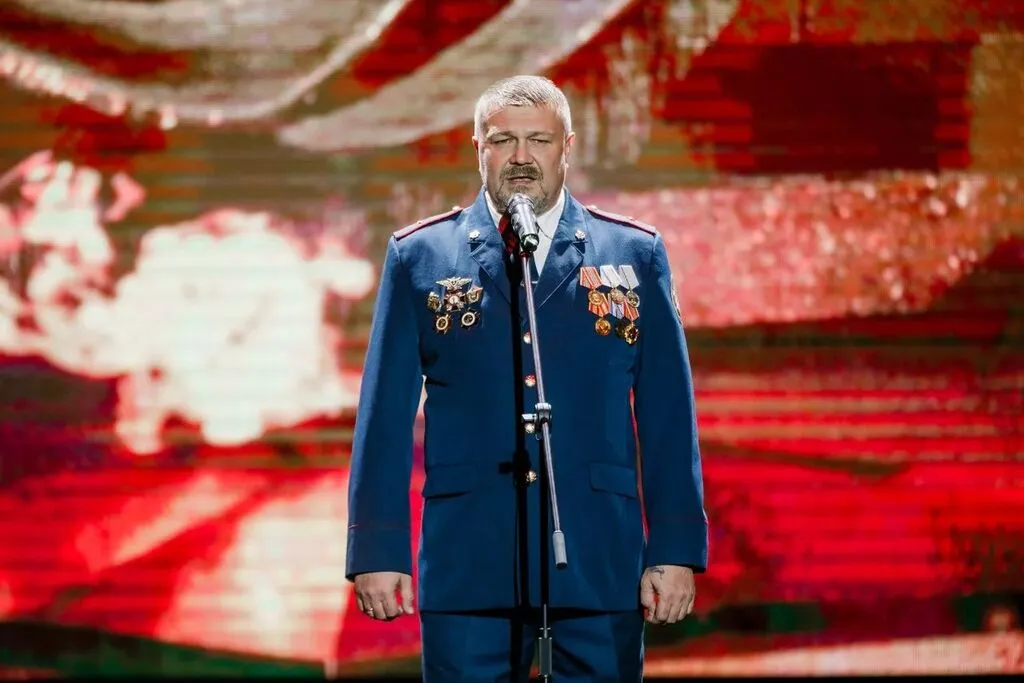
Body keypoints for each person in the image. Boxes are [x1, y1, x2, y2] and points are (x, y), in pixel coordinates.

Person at [346, 74, 708, 681]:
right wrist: (377, 549)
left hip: (599, 555)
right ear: (478, 149)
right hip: (469, 557)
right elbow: (383, 415)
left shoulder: (632, 253)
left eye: (538, 140)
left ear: (567, 146)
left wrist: (674, 547)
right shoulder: (421, 255)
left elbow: (668, 413)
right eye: (503, 140)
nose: (521, 157)